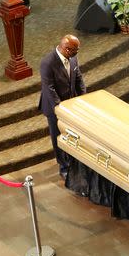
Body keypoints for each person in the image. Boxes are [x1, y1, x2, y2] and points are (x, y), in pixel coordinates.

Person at [38, 35, 87, 178]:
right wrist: (61, 109)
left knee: (71, 133)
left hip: (70, 104)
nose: (77, 53)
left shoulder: (73, 58)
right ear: (67, 49)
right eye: (75, 51)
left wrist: (83, 98)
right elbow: (49, 88)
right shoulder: (47, 62)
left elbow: (78, 78)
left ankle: (73, 161)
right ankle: (64, 167)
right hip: (54, 107)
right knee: (58, 136)